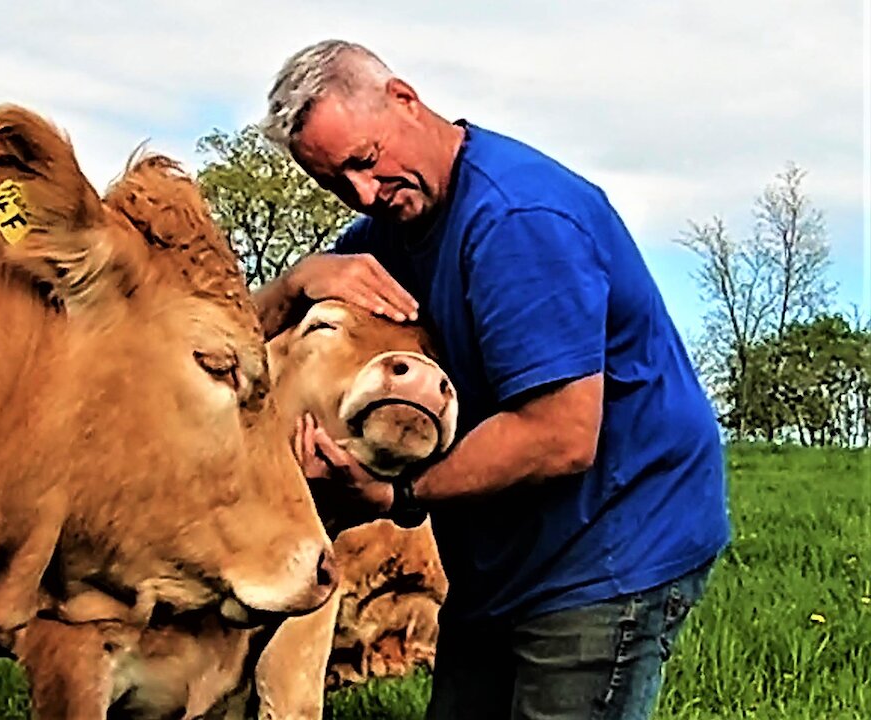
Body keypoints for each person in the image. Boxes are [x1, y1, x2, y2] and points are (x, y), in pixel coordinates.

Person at [252, 40, 731, 720]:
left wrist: (398, 496)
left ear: (405, 100)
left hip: (610, 547)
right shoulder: (393, 228)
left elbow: (560, 436)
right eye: (336, 184)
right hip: (500, 559)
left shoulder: (516, 221)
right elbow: (241, 345)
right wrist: (298, 279)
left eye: (365, 161)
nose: (363, 193)